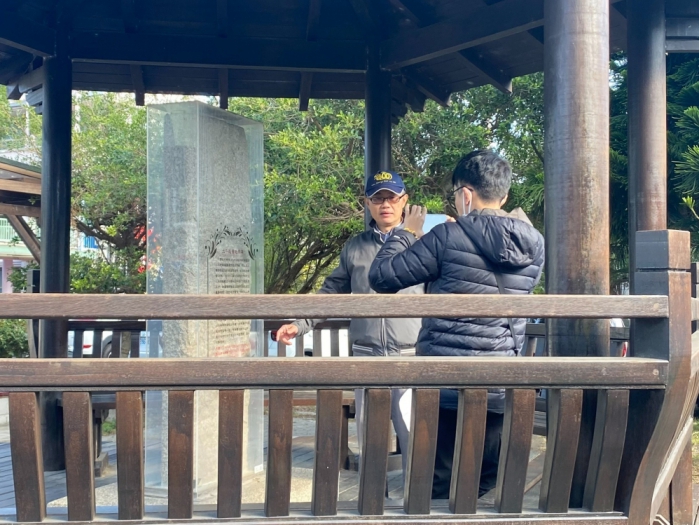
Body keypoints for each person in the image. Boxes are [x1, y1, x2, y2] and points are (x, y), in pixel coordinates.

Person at [368, 150, 544, 498]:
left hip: (443, 384)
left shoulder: (446, 237)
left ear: (465, 194)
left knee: (437, 482)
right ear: (504, 195)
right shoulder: (534, 242)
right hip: (500, 383)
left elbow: (382, 276)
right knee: (485, 482)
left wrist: (406, 232)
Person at [275, 170, 423, 481]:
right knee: (371, 438)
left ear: (404, 201)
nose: (385, 204)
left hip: (413, 354)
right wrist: (301, 324)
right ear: (367, 203)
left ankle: (418, 502)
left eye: (392, 197)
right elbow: (332, 292)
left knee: (416, 438)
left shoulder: (423, 242)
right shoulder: (355, 247)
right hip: (366, 354)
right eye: (377, 198)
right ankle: (373, 501)